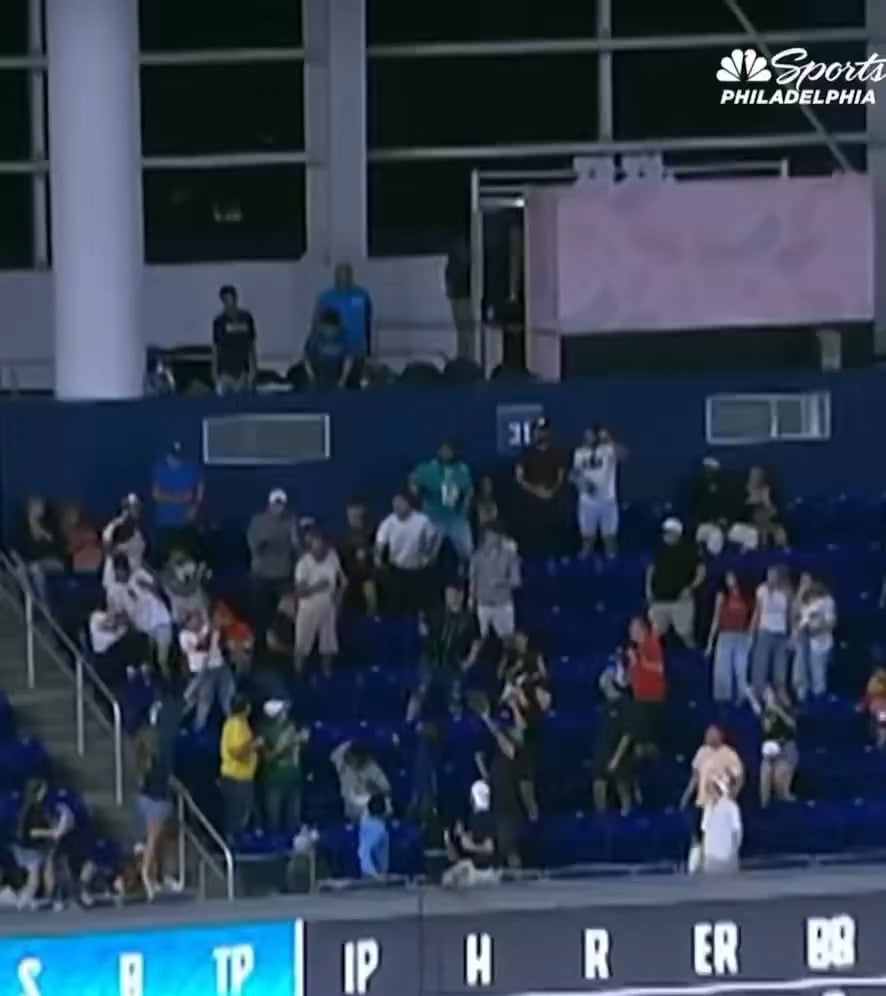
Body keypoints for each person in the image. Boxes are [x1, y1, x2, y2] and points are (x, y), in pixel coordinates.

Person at [408, 583, 481, 721]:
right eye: (448, 594)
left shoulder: (469, 618)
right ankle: (409, 721)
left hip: (453, 663)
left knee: (454, 698)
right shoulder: (436, 613)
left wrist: (470, 660)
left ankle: (457, 725)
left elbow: (476, 641)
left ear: (460, 595)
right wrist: (422, 628)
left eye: (453, 594)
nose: (450, 597)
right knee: (419, 691)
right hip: (431, 660)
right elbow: (423, 630)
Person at [680, 724, 744, 865]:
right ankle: (696, 861)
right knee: (697, 832)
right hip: (702, 800)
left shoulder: (729, 754)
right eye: (707, 734)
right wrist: (686, 796)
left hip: (720, 801)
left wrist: (733, 795)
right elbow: (695, 777)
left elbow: (739, 778)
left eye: (713, 734)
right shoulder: (701, 753)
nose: (709, 736)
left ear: (721, 736)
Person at [134, 699, 177, 900]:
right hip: (158, 800)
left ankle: (157, 877)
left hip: (146, 797)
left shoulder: (144, 746)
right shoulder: (159, 747)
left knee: (159, 841)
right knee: (153, 842)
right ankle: (146, 877)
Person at [474, 701, 524, 869]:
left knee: (508, 847)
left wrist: (490, 722)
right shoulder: (493, 752)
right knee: (494, 847)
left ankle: (518, 877)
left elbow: (510, 746)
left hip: (508, 804)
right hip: (494, 803)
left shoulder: (513, 749)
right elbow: (479, 756)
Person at [105, 553, 174, 674]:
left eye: (123, 570)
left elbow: (158, 586)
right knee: (149, 661)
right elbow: (117, 612)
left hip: (160, 619)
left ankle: (169, 684)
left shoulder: (139, 575)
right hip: (143, 627)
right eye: (118, 571)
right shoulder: (114, 590)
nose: (121, 574)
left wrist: (149, 585)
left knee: (162, 660)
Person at [410, 440, 475, 569]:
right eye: (443, 450)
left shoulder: (462, 469)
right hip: (433, 516)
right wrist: (416, 493)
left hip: (455, 518)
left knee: (467, 552)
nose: (446, 453)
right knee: (428, 555)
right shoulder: (429, 468)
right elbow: (413, 479)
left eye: (449, 450)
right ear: (438, 451)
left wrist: (465, 509)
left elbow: (469, 490)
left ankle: (466, 577)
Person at [247, 489, 300, 641]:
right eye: (275, 504)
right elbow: (253, 547)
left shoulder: (291, 521)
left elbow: (297, 548)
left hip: (283, 576)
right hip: (261, 577)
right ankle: (259, 648)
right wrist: (264, 543)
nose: (278, 508)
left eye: (281, 504)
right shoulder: (257, 521)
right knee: (260, 615)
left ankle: (282, 647)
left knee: (285, 617)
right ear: (269, 505)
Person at [513, 417, 569, 556]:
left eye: (544, 431)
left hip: (553, 499)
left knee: (555, 530)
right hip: (531, 500)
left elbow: (561, 476)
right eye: (538, 431)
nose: (541, 434)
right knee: (533, 531)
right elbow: (519, 478)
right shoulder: (526, 452)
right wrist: (536, 491)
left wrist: (551, 491)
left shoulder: (557, 451)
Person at [646, 518, 705, 647]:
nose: (665, 535)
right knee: (655, 634)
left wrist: (690, 588)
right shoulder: (658, 549)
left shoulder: (690, 550)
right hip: (659, 599)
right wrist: (648, 590)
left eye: (668, 532)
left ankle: (694, 658)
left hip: (680, 601)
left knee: (685, 634)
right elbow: (651, 570)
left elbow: (701, 571)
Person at [375, 491, 436, 615]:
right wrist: (378, 561)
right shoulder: (388, 523)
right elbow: (379, 544)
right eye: (395, 504)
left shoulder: (422, 521)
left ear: (409, 504)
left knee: (417, 608)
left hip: (417, 572)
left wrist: (429, 556)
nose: (397, 506)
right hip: (397, 571)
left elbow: (433, 538)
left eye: (400, 503)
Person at [294, 530, 345, 676]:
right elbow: (299, 592)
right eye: (316, 544)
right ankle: (298, 676)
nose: (320, 547)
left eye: (322, 544)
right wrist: (317, 586)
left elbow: (342, 581)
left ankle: (327, 677)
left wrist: (338, 600)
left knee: (328, 648)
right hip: (307, 610)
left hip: (328, 608)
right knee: (301, 649)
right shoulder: (303, 563)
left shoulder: (333, 557)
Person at [571, 424, 625, 559]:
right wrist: (582, 484)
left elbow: (624, 455)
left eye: (591, 434)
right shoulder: (579, 453)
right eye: (586, 434)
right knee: (587, 542)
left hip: (607, 501)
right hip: (587, 502)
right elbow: (574, 473)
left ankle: (613, 569)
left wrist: (609, 440)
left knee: (610, 541)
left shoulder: (608, 450)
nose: (588, 437)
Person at [592, 657, 636, 815]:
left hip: (620, 753)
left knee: (622, 786)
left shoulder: (626, 704)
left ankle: (628, 816)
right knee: (598, 785)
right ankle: (600, 818)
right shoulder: (603, 706)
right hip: (602, 750)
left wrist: (616, 758)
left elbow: (627, 735)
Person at [179, 609, 235, 731]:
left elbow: (221, 640)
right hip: (202, 672)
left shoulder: (207, 628)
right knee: (205, 701)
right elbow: (202, 647)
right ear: (186, 623)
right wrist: (211, 630)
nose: (197, 620)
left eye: (197, 617)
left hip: (220, 666)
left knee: (228, 696)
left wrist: (217, 630)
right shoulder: (184, 636)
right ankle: (198, 729)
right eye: (193, 619)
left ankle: (235, 724)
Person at [260, 700, 309, 835]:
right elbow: (267, 758)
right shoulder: (264, 730)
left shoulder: (292, 726)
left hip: (294, 779)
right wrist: (284, 747)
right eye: (282, 711)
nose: (286, 713)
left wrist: (302, 741)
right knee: (273, 822)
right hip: (274, 781)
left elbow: (300, 750)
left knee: (294, 821)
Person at [705, 571, 754, 704]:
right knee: (722, 670)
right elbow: (716, 618)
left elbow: (752, 617)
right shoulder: (722, 596)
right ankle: (723, 700)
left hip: (742, 635)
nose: (730, 580)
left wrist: (750, 634)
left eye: (732, 577)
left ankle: (741, 697)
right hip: (725, 635)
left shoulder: (746, 596)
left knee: (741, 669)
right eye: (727, 578)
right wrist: (710, 642)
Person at [469, 519, 521, 640]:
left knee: (507, 641)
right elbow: (473, 579)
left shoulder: (510, 556)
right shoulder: (477, 557)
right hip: (483, 606)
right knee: (482, 640)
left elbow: (516, 581)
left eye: (493, 535)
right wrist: (471, 600)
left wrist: (501, 583)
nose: (490, 539)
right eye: (488, 535)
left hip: (503, 605)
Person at [685, 457, 747, 557]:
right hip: (706, 526)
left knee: (751, 534)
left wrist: (727, 521)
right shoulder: (699, 491)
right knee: (716, 535)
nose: (708, 473)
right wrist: (714, 521)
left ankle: (743, 564)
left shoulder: (728, 491)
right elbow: (697, 513)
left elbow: (735, 510)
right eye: (706, 470)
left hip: (728, 525)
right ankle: (712, 565)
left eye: (711, 470)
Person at [442, 780, 499, 887]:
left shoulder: (483, 819)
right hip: (472, 865)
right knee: (448, 878)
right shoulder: (470, 818)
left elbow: (489, 848)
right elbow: (454, 855)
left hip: (482, 870)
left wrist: (467, 841)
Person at [220, 695, 262, 836]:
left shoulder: (239, 723)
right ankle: (234, 847)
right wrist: (255, 744)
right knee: (238, 815)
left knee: (239, 813)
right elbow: (237, 752)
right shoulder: (236, 725)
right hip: (237, 778)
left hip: (240, 777)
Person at [749, 686, 798, 807]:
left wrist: (777, 710)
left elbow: (792, 726)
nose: (767, 697)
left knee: (780, 785)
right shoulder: (763, 712)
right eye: (765, 694)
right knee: (765, 772)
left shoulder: (785, 709)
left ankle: (785, 798)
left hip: (785, 748)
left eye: (770, 694)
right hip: (769, 751)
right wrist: (749, 693)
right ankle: (764, 806)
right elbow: (753, 702)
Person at [151, 442, 203, 554]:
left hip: (186, 524)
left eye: (179, 457)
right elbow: (156, 495)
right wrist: (180, 498)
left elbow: (199, 487)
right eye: (173, 457)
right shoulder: (160, 469)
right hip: (165, 523)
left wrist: (195, 506)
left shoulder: (191, 468)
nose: (176, 461)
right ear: (168, 456)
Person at [314, 260, 373, 357]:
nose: (343, 278)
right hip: (334, 349)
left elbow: (368, 323)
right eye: (339, 275)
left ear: (351, 276)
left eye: (346, 274)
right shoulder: (326, 298)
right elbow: (316, 324)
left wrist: (369, 351)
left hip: (357, 348)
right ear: (335, 277)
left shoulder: (362, 296)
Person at [750, 565, 792, 697]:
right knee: (760, 664)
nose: (770, 578)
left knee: (780, 667)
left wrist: (791, 633)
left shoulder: (786, 592)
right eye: (768, 575)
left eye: (773, 575)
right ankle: (758, 692)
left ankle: (781, 693)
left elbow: (789, 614)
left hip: (781, 633)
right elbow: (758, 611)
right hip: (765, 631)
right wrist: (752, 630)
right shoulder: (762, 590)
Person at [626, 616, 666, 756]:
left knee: (648, 738)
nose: (631, 632)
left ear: (642, 629)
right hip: (639, 695)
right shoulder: (635, 649)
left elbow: (659, 668)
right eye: (630, 629)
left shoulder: (651, 643)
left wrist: (639, 660)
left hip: (652, 696)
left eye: (634, 629)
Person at [13, 778, 55, 910]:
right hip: (29, 848)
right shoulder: (32, 809)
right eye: (43, 789)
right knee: (34, 879)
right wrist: (51, 833)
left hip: (36, 847)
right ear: (38, 791)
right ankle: (22, 901)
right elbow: (32, 832)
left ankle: (29, 899)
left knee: (39, 875)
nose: (45, 792)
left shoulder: (38, 807)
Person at [793, 575, 837, 701]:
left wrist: (816, 630)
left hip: (819, 642)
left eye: (807, 581)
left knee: (818, 675)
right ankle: (804, 702)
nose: (805, 584)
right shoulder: (803, 601)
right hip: (803, 641)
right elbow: (795, 617)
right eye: (802, 582)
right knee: (801, 674)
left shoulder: (826, 601)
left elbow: (831, 622)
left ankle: (819, 704)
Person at [15, 496, 64, 603]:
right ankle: (30, 601)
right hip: (32, 562)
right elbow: (22, 549)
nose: (38, 508)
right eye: (34, 506)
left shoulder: (51, 522)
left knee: (36, 569)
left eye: (39, 505)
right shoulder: (24, 527)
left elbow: (55, 544)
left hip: (54, 561)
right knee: (20, 571)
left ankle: (44, 602)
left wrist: (38, 527)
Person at [330, 740, 391, 821]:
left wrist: (375, 789)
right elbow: (335, 754)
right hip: (349, 812)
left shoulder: (373, 769)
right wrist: (352, 742)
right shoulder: (342, 763)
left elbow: (387, 791)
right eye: (349, 758)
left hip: (370, 813)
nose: (350, 761)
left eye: (354, 759)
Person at [212, 284, 257, 394]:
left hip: (243, 371)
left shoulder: (246, 318)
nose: (229, 302)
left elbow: (251, 346)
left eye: (231, 298)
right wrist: (214, 372)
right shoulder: (219, 321)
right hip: (225, 372)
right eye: (225, 299)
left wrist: (253, 369)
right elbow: (215, 347)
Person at [339, 498, 379, 616]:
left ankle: (372, 619)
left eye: (356, 512)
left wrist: (368, 552)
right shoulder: (344, 535)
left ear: (362, 511)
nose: (353, 515)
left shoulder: (373, 531)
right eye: (350, 512)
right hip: (349, 575)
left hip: (368, 575)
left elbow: (379, 551)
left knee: (370, 593)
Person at [304, 308, 359, 390]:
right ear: (322, 327)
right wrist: (312, 377)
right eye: (327, 328)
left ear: (338, 327)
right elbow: (307, 360)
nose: (330, 331)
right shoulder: (315, 339)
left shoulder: (344, 337)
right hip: (319, 377)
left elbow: (349, 360)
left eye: (333, 329)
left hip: (338, 377)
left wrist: (343, 380)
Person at [699, 776, 743, 875]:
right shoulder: (708, 808)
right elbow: (705, 831)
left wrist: (733, 852)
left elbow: (737, 832)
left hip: (727, 854)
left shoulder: (731, 807)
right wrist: (703, 855)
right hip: (711, 854)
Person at [101, 493, 146, 585]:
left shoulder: (137, 531)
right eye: (134, 507)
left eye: (138, 507)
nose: (137, 510)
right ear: (125, 509)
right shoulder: (115, 526)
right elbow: (107, 548)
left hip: (133, 580)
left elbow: (138, 557)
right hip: (117, 581)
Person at [160, 546, 209, 624]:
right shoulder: (166, 575)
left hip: (202, 608)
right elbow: (184, 591)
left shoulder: (189, 563)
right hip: (184, 613)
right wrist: (198, 576)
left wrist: (203, 575)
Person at [743, 465, 788, 548]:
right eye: (753, 476)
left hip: (766, 523)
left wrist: (766, 500)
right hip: (750, 525)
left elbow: (774, 513)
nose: (755, 478)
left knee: (780, 531)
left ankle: (782, 552)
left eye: (758, 476)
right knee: (748, 533)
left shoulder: (766, 492)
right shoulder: (744, 492)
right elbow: (742, 512)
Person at [444, 237, 473, 360]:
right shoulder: (455, 257)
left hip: (464, 295)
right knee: (461, 329)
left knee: (466, 330)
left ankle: (466, 355)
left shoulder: (465, 256)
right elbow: (449, 273)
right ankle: (463, 355)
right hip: (458, 295)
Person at [58, 502, 102, 574]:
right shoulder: (67, 533)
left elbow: (95, 537)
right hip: (79, 563)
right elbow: (68, 550)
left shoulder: (86, 528)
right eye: (70, 515)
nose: (73, 517)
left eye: (74, 514)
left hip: (94, 560)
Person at [358, 794, 390, 880]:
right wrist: (374, 875)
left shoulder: (381, 825)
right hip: (369, 875)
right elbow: (364, 853)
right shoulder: (373, 826)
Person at [861, 662, 886, 749]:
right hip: (878, 708)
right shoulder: (873, 681)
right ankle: (879, 741)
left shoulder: (874, 681)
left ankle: (879, 741)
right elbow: (868, 695)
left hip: (879, 708)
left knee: (879, 724)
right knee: (879, 724)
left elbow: (868, 695)